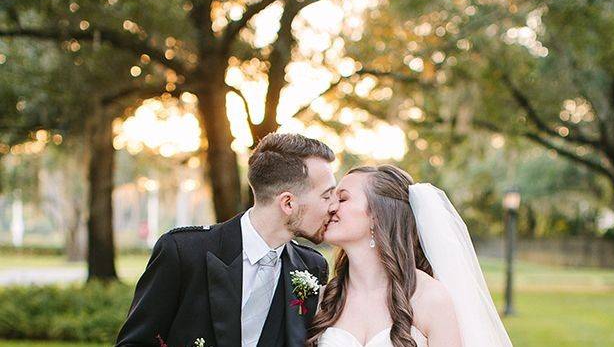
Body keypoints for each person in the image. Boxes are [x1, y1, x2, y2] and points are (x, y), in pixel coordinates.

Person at [116, 133, 339, 347]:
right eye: (326, 196)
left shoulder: (312, 266)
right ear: (288, 203)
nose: (333, 206)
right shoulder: (183, 252)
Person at [309, 165, 512, 347]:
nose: (331, 207)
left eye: (342, 198)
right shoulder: (323, 299)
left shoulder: (431, 298)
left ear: (377, 215)